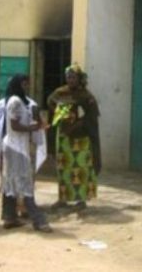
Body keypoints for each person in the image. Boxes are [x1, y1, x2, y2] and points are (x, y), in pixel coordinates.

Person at [0, 74, 51, 232]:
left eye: (27, 84)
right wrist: (32, 128)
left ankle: (9, 217)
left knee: (11, 181)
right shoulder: (14, 101)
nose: (26, 87)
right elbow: (15, 126)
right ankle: (38, 220)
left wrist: (38, 123)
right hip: (15, 147)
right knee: (24, 182)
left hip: (18, 146)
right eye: (24, 84)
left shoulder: (25, 102)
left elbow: (30, 119)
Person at [47, 63, 101, 211]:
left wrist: (78, 123)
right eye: (68, 77)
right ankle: (63, 199)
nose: (70, 79)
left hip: (81, 139)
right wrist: (61, 113)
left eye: (73, 77)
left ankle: (81, 200)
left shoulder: (86, 95)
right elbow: (50, 102)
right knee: (63, 167)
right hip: (64, 137)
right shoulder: (60, 93)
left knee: (80, 168)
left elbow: (92, 114)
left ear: (79, 78)